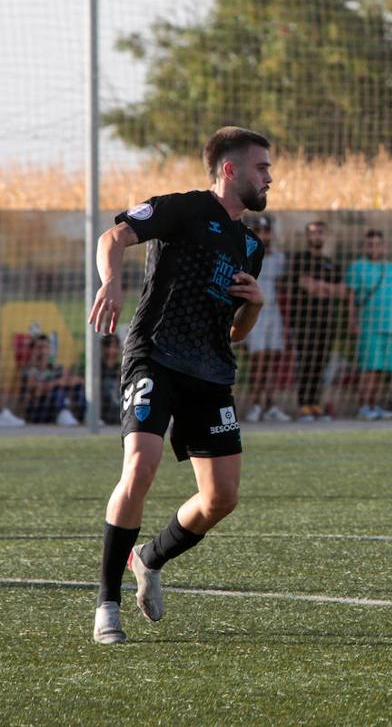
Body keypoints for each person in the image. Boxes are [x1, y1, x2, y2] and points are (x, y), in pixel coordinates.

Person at [88, 126, 270, 644]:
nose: (270, 178)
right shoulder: (185, 208)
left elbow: (234, 331)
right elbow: (114, 236)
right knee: (140, 466)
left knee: (221, 499)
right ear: (230, 170)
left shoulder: (251, 246)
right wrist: (111, 280)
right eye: (262, 168)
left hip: (210, 372)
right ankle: (107, 605)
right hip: (156, 356)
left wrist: (255, 304)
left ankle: (148, 557)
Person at [284, 221, 348, 422]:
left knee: (322, 363)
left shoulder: (332, 263)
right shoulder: (299, 260)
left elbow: (341, 291)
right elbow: (305, 285)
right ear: (307, 236)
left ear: (325, 235)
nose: (317, 236)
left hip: (327, 321)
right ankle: (304, 405)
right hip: (304, 321)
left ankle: (316, 405)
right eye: (313, 233)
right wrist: (326, 288)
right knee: (307, 362)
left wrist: (319, 286)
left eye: (320, 232)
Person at [346, 229, 392, 420]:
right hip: (369, 326)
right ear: (365, 247)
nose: (374, 248)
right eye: (370, 244)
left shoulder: (391, 268)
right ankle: (364, 406)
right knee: (369, 369)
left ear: (383, 246)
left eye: (377, 244)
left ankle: (374, 405)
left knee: (382, 370)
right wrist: (352, 321)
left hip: (390, 326)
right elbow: (351, 298)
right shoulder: (357, 267)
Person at [242, 215, 291, 423]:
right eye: (261, 231)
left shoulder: (279, 258)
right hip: (256, 312)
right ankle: (255, 404)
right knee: (259, 359)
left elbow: (282, 286)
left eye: (267, 231)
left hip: (273, 312)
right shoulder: (249, 256)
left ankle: (271, 404)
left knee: (271, 358)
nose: (265, 236)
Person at [18, 334, 84, 425]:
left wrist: (57, 383)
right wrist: (57, 383)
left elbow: (78, 380)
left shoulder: (55, 367)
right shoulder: (28, 370)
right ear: (33, 351)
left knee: (78, 387)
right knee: (57, 390)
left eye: (46, 347)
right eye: (39, 348)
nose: (43, 351)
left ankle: (85, 415)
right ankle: (63, 415)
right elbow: (37, 389)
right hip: (37, 411)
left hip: (55, 405)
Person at [99, 333, 123, 425]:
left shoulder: (121, 368)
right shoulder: (98, 368)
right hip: (103, 407)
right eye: (109, 347)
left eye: (115, 347)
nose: (112, 351)